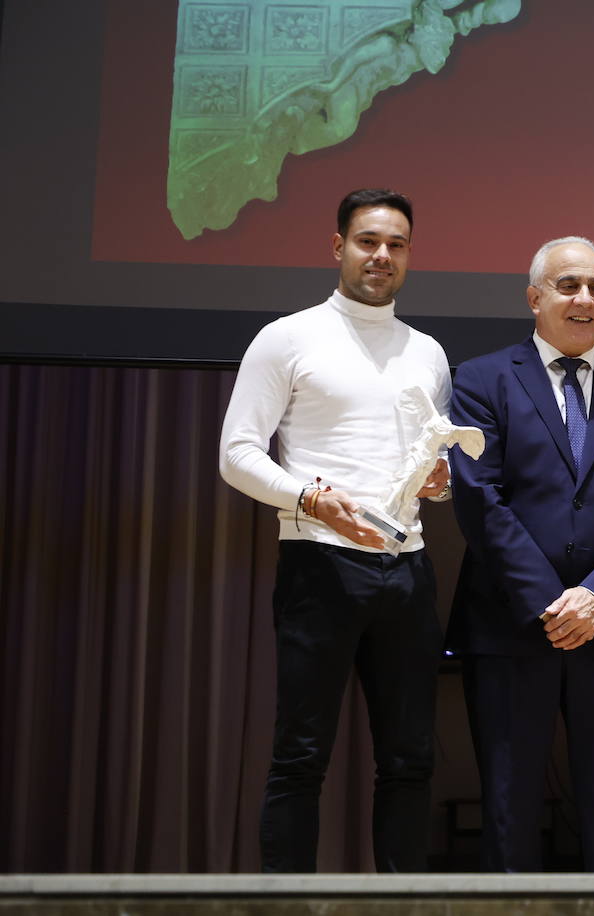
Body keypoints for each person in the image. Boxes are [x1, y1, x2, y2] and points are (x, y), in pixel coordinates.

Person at [219, 188, 452, 872]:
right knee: (300, 758)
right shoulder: (288, 337)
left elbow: (427, 460)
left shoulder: (428, 353)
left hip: (408, 568)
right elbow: (237, 454)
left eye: (396, 245)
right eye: (368, 241)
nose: (382, 256)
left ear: (409, 255)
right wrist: (312, 499)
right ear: (338, 247)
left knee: (410, 762)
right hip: (319, 565)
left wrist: (439, 483)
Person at [446, 236, 594, 872]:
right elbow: (478, 497)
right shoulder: (482, 379)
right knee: (510, 811)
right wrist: (553, 602)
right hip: (512, 624)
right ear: (534, 298)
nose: (585, 299)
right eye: (569, 285)